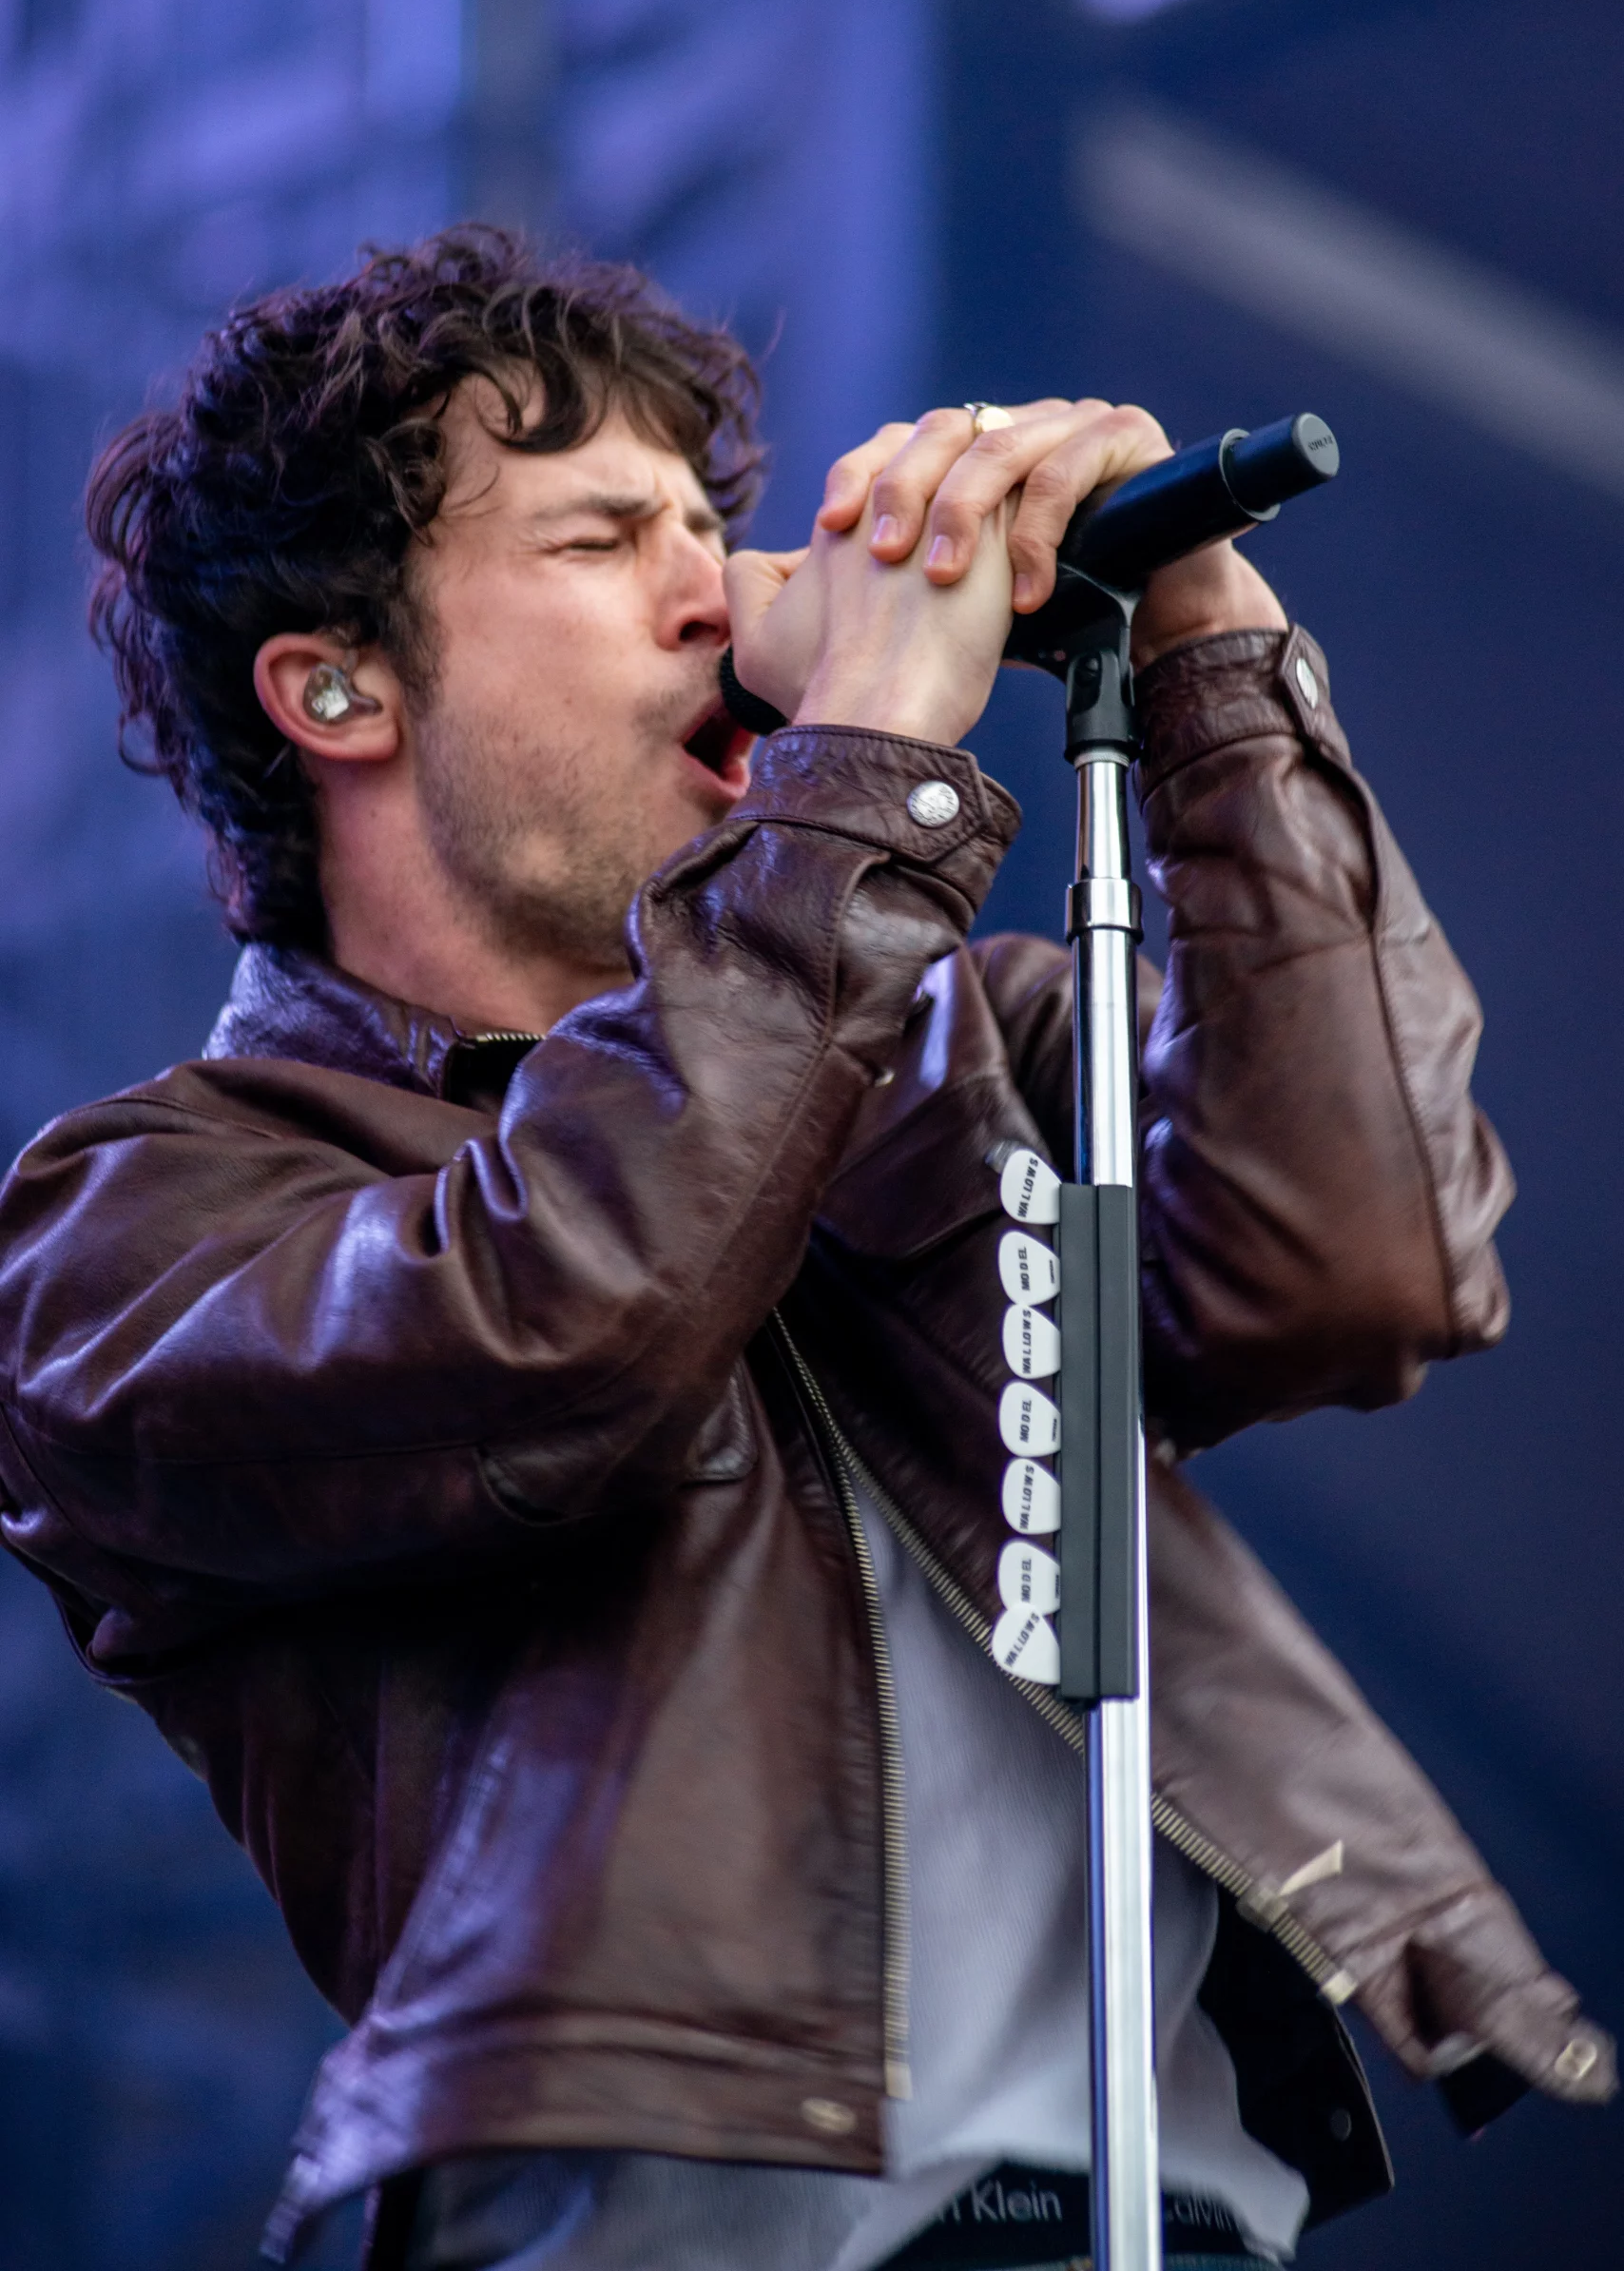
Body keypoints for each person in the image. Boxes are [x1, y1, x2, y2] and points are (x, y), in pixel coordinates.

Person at [0, 229, 1609, 2271]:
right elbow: (564, 1325)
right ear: (335, 687)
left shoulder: (955, 1049)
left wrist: (1210, 648)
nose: (716, 587)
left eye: (708, 524)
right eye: (604, 540)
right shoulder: (136, 1220)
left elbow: (1368, 1264)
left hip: (1165, 2211)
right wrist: (871, 749)